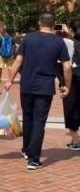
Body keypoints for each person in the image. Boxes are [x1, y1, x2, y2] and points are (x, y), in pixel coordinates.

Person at [5, 12, 71, 170]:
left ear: (40, 23)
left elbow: (18, 61)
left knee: (27, 118)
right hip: (45, 87)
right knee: (39, 122)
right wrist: (67, 86)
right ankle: (33, 159)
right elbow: (67, 67)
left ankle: (27, 150)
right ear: (53, 24)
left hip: (27, 84)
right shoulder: (59, 42)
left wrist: (9, 80)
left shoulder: (28, 39)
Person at [61, 19, 80, 150]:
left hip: (72, 80)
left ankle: (76, 141)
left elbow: (65, 65)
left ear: (71, 29)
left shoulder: (68, 42)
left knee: (71, 108)